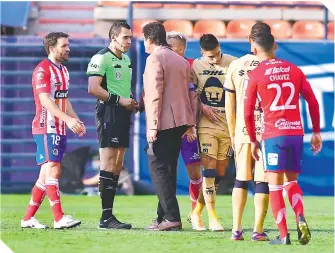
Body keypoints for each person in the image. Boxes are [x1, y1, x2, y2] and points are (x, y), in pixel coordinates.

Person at [244, 27, 322, 245]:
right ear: (275, 46)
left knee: (275, 185)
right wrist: (316, 131)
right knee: (292, 181)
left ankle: (284, 235)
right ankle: (299, 215)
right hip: (295, 132)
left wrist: (253, 140)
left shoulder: (256, 74)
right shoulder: (294, 69)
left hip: (273, 135)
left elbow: (248, 111)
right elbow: (313, 102)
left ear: (253, 47)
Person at [21, 32, 85, 229]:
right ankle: (59, 219)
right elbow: (45, 101)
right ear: (52, 48)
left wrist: (75, 119)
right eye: (64, 45)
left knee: (44, 175)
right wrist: (68, 120)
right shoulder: (42, 70)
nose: (68, 49)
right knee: (54, 168)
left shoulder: (63, 71)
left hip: (58, 128)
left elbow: (63, 100)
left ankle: (27, 219)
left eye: (68, 45)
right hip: (45, 127)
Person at [142, 22, 198, 231]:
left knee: (157, 168)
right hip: (181, 121)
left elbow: (154, 94)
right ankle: (163, 217)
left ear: (149, 39)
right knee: (168, 169)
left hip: (163, 122)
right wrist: (190, 124)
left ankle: (172, 217)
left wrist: (152, 126)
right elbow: (190, 94)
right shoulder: (181, 60)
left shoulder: (155, 58)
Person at [87, 21, 138, 229]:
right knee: (107, 162)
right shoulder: (101, 57)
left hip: (123, 114)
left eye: (130, 37)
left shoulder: (126, 60)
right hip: (108, 112)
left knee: (118, 163)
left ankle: (109, 216)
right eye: (125, 37)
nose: (128, 41)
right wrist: (119, 101)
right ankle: (105, 217)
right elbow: (93, 88)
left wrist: (131, 101)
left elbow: (122, 89)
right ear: (113, 37)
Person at [224, 23, 271, 241]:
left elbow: (229, 104)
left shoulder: (236, 65)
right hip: (268, 131)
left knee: (241, 179)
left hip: (244, 130)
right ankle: (258, 230)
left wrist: (233, 133)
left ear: (250, 40)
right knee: (262, 181)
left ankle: (236, 229)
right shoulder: (274, 66)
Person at [190, 34, 236, 231]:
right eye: (211, 57)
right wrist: (201, 106)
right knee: (208, 171)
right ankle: (213, 216)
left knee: (219, 174)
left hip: (227, 126)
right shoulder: (195, 66)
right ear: (202, 53)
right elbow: (190, 93)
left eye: (217, 54)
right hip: (206, 126)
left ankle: (196, 212)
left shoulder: (233, 63)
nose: (216, 59)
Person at [166, 31, 202, 215]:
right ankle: (165, 213)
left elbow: (196, 96)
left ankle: (196, 213)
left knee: (194, 173)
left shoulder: (192, 66)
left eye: (170, 47)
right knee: (165, 172)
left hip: (188, 127)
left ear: (181, 49)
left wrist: (192, 124)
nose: (166, 50)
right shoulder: (160, 64)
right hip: (167, 127)